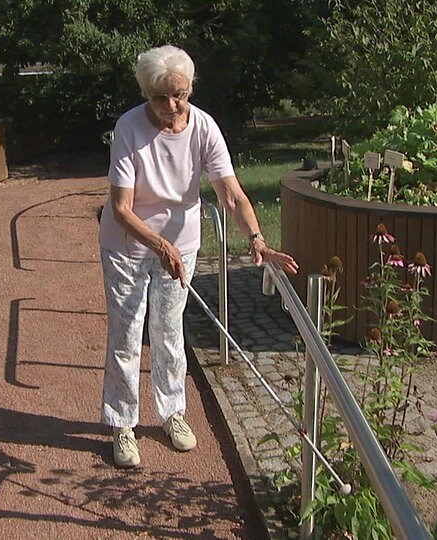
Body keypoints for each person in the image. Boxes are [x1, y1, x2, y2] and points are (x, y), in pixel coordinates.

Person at [98, 45, 298, 468]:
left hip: (181, 244)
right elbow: (120, 208)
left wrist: (257, 239)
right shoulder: (129, 128)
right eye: (160, 97)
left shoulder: (204, 126)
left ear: (190, 89)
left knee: (170, 332)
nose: (172, 106)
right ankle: (123, 425)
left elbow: (230, 192)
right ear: (145, 93)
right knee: (127, 334)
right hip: (128, 245)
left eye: (180, 95)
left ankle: (172, 413)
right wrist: (159, 245)